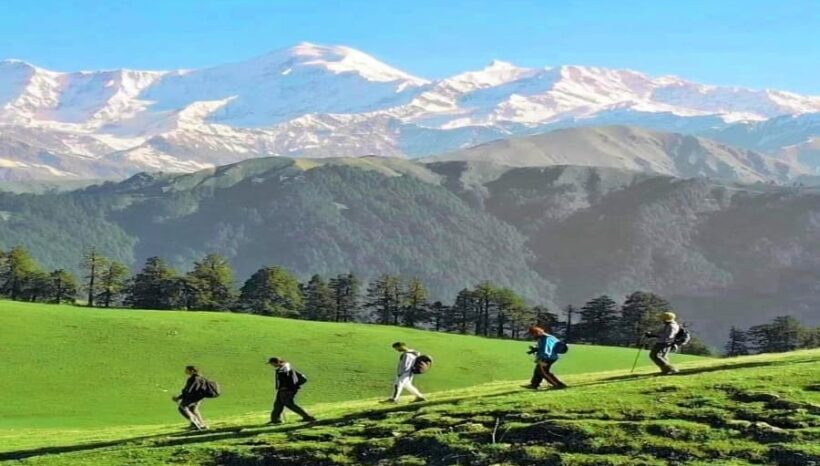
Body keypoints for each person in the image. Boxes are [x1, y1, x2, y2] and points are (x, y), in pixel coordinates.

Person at [267, 357, 316, 424]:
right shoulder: (285, 368)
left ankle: (308, 417)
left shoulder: (284, 369)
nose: (272, 365)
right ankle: (275, 420)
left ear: (276, 362)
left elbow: (287, 380)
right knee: (278, 404)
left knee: (289, 404)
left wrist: (286, 387)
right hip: (284, 389)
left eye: (272, 363)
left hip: (286, 390)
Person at [172, 365, 209, 431]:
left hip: (193, 397)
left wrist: (179, 397)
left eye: (187, 370)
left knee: (182, 408)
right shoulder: (201, 378)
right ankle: (202, 424)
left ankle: (194, 423)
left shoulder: (193, 379)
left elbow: (189, 390)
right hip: (200, 397)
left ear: (191, 370)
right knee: (194, 410)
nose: (185, 371)